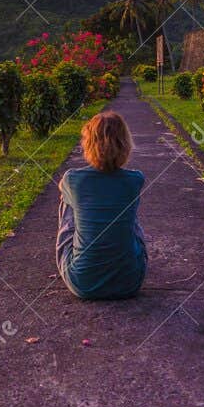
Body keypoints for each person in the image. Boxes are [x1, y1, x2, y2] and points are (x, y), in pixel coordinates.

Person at [55, 111, 147, 300]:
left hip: (83, 283)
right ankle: (119, 261)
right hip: (130, 283)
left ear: (88, 144)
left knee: (68, 202)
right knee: (127, 212)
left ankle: (87, 257)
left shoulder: (72, 179)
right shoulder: (135, 180)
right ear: (125, 144)